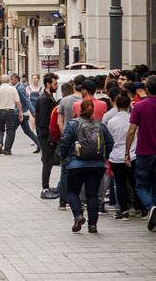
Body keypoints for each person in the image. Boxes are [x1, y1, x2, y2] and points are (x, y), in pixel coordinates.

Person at [60, 99, 114, 233]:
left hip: (76, 164)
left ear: (79, 110)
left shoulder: (73, 124)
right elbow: (110, 142)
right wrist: (104, 157)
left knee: (72, 191)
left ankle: (78, 215)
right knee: (92, 195)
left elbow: (65, 142)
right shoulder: (100, 125)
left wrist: (65, 159)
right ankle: (93, 225)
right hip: (97, 165)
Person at [125, 75, 156, 231]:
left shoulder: (139, 107)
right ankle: (154, 211)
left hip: (144, 151)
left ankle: (151, 207)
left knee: (141, 185)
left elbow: (131, 131)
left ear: (147, 89)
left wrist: (127, 152)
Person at [107, 90, 143, 220]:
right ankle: (142, 208)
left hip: (116, 156)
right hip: (133, 154)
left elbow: (109, 139)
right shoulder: (132, 119)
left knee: (120, 183)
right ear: (128, 105)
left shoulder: (111, 121)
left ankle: (123, 210)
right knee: (135, 183)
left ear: (116, 104)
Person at [36, 72, 60, 200]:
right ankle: (45, 188)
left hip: (49, 136)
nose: (56, 86)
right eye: (55, 84)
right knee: (47, 162)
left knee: (49, 162)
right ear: (48, 84)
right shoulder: (44, 99)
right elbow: (44, 121)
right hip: (46, 137)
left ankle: (47, 187)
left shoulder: (50, 98)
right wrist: (49, 137)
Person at [0, 75, 23, 155]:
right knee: (10, 130)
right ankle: (7, 149)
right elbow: (18, 102)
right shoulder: (13, 89)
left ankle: (0, 142)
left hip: (0, 111)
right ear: (9, 80)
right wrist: (20, 112)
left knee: (0, 128)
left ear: (1, 80)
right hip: (10, 111)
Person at [12, 73, 40, 153]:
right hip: (22, 112)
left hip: (21, 113)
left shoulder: (20, 88)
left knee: (12, 130)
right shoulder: (20, 87)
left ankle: (7, 148)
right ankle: (39, 144)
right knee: (27, 131)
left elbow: (26, 100)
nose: (11, 81)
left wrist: (32, 111)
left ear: (16, 79)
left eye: (12, 79)